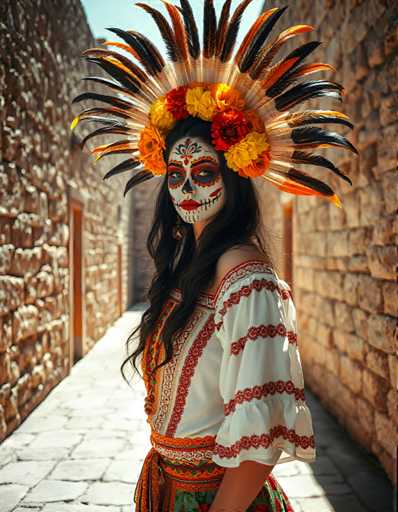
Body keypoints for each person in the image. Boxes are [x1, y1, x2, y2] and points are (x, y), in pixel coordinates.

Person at [70, 2, 357, 509]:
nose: (186, 190)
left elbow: (262, 435)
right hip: (166, 487)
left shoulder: (248, 281)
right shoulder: (187, 266)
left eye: (204, 173)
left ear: (234, 175)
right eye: (175, 176)